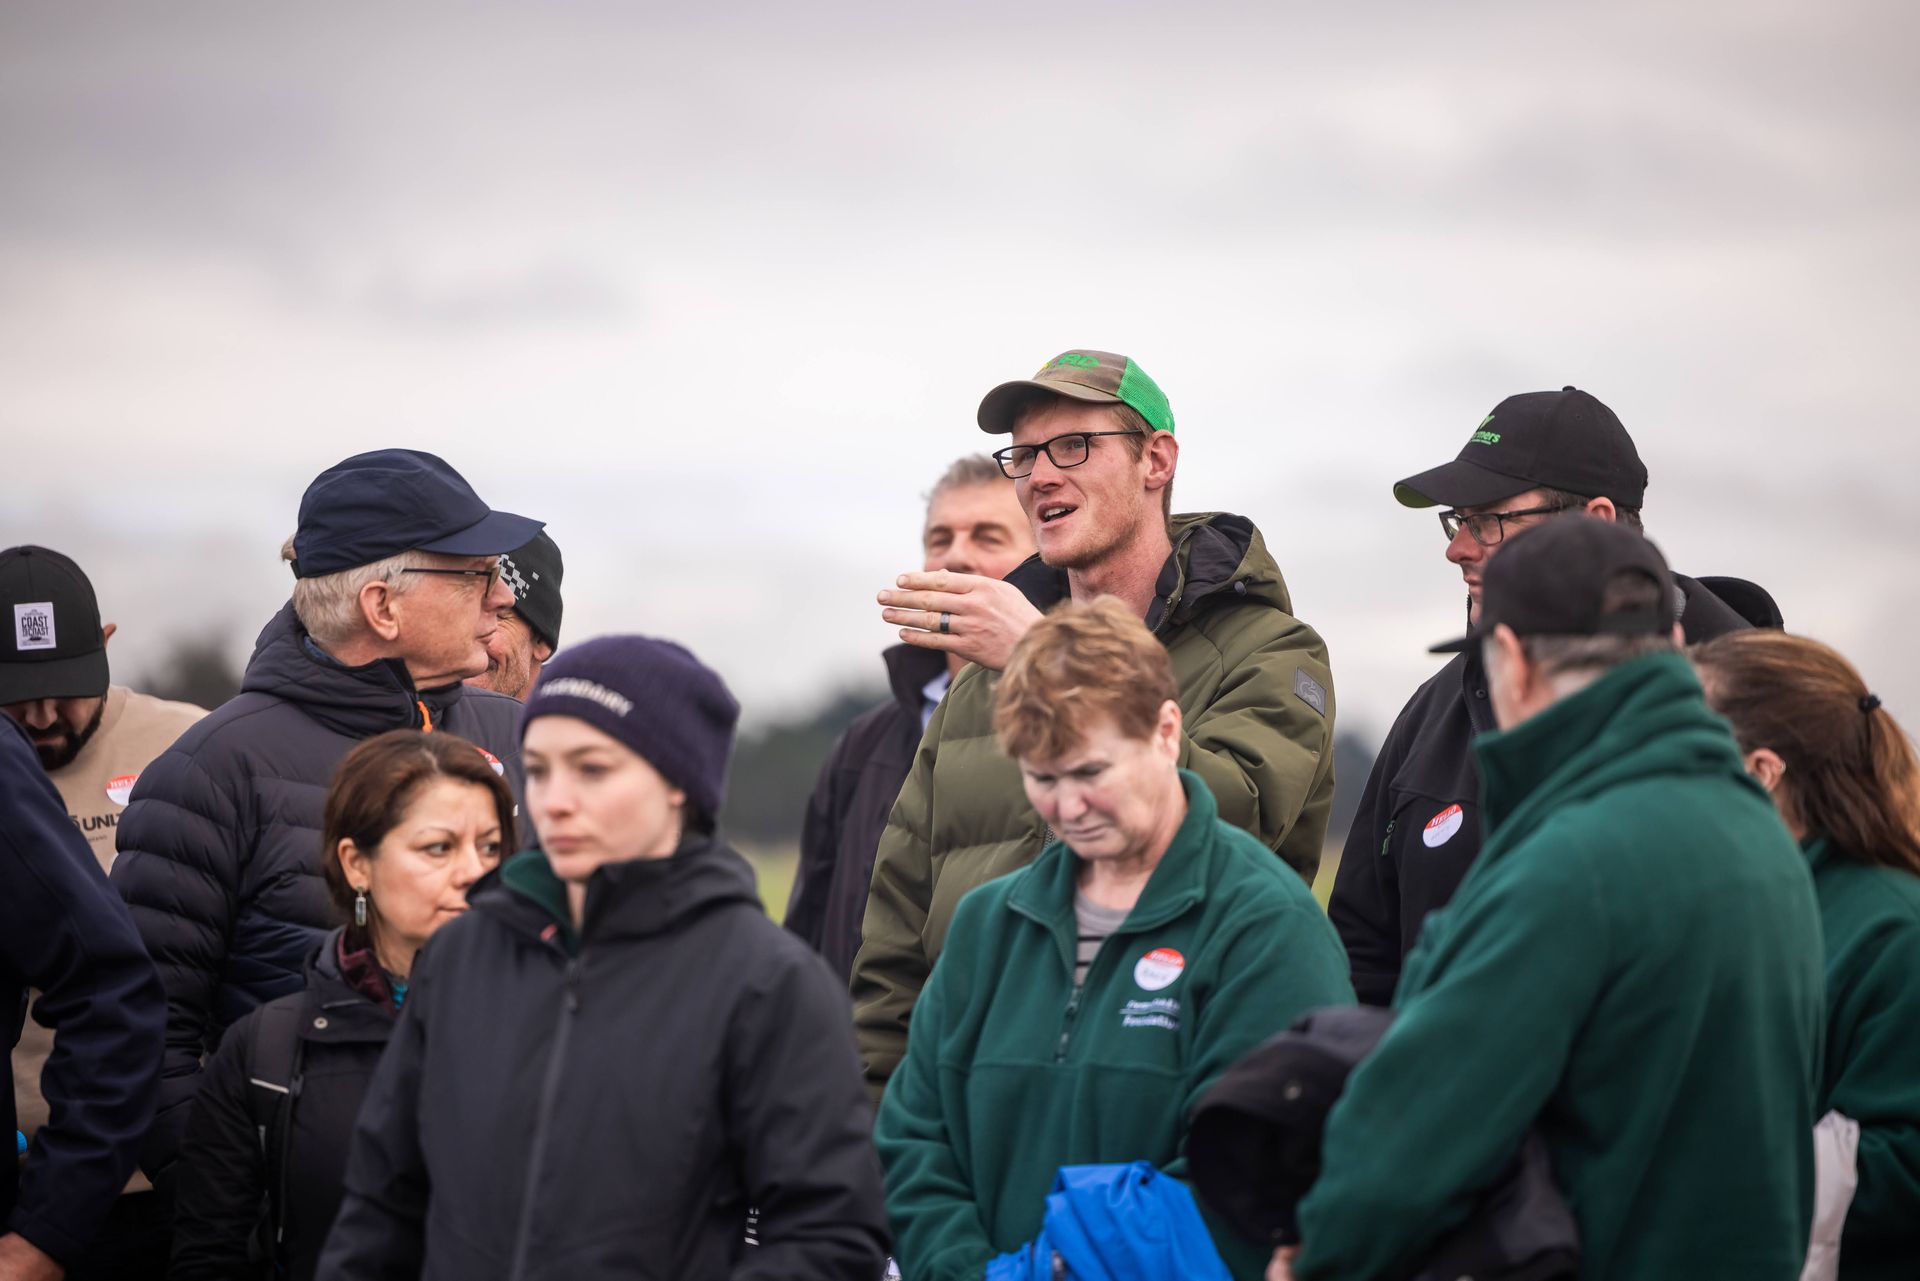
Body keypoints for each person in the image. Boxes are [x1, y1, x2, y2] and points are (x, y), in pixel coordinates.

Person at [1286, 518, 1822, 1281]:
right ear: (1671, 641)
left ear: (1511, 661)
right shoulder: (1758, 833)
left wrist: (1317, 1254)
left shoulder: (1573, 862)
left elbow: (1415, 1133)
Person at [317, 636, 889, 1280]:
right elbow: (382, 1204)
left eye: (591, 769)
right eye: (537, 770)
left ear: (678, 785)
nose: (555, 799)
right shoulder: (463, 954)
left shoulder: (769, 982)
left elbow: (831, 1237)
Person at [855, 349, 1338, 1096]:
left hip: (1165, 1110)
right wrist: (883, 1135)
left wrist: (1041, 656)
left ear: (1157, 460)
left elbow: (1237, 820)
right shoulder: (978, 677)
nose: (1040, 474)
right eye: (1023, 454)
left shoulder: (1272, 651)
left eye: (1074, 445)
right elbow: (894, 938)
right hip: (975, 1127)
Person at [875, 598, 1352, 1281]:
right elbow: (915, 1139)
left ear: (1165, 730)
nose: (1068, 806)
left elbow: (1262, 1179)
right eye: (1042, 777)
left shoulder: (1266, 930)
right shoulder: (986, 925)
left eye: (1091, 772)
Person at [110, 448, 539, 1183]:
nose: (502, 595)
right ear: (382, 606)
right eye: (476, 573)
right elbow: (148, 1047)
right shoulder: (208, 772)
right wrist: (256, 1218)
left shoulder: (521, 739)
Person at [1328, 386, 1758, 1005]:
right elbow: (1360, 950)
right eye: (1457, 520)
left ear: (1599, 524)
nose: (1457, 548)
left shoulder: (1755, 706)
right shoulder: (1433, 710)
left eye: (1490, 520)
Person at [169, 729, 513, 1281]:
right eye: (439, 847)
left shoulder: (557, 1026)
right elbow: (210, 1256)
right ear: (357, 864)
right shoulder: (267, 1054)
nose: (475, 870)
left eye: (491, 846)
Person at [1, 545, 203, 1279]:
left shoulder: (190, 746)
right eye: (15, 691)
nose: (43, 714)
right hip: (21, 1180)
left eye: (66, 686)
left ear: (108, 643)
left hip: (151, 1182)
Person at [1694, 631, 1920, 1281]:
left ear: (1761, 772)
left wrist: (1696, 1163)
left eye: (1684, 749)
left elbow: (1905, 1164)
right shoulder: (1737, 909)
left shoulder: (1895, 930)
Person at [785, 454, 1035, 979]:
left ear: (1041, 559)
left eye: (988, 537)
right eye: (940, 539)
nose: (956, 556)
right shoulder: (863, 745)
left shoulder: (1073, 726)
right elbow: (807, 937)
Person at [2, 715, 165, 1281]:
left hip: (137, 1195)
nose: (42, 716)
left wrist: (46, 1232)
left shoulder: (188, 739)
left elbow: (114, 987)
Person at [466, 530, 563, 701]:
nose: (464, 636)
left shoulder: (579, 722)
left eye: (496, 616)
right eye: (459, 613)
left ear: (541, 641)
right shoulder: (410, 715)